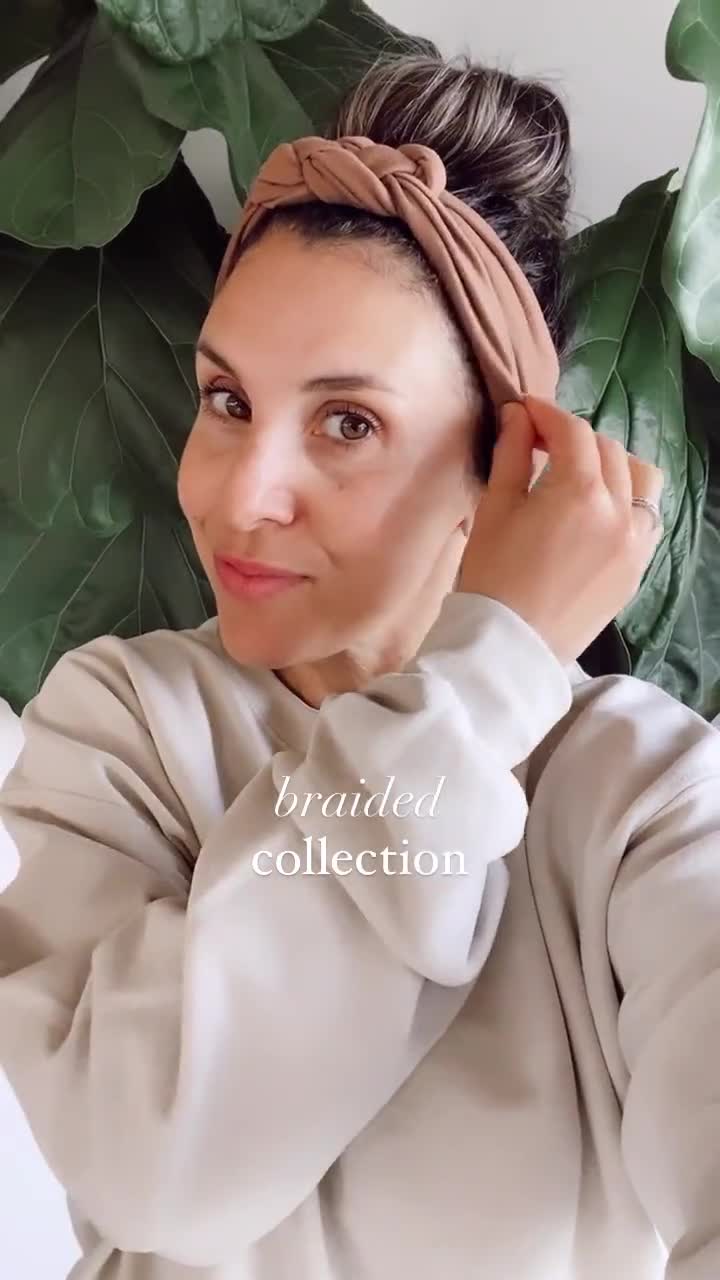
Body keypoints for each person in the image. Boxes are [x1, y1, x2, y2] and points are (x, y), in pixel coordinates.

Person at [0, 51, 718, 1280]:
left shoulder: (637, 795)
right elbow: (155, 1161)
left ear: (507, 463)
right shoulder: (124, 729)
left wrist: (490, 681)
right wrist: (480, 685)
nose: (241, 494)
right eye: (227, 400)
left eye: (348, 422)